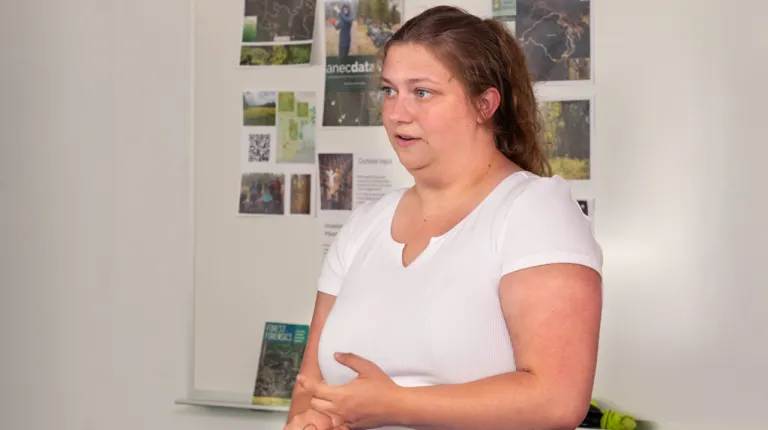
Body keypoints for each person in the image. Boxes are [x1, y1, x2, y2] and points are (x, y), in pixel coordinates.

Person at [285, 5, 603, 430]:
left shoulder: (533, 211)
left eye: (422, 92)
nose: (398, 113)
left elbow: (556, 400)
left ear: (484, 104)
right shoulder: (363, 226)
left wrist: (394, 405)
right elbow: (311, 391)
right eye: (389, 91)